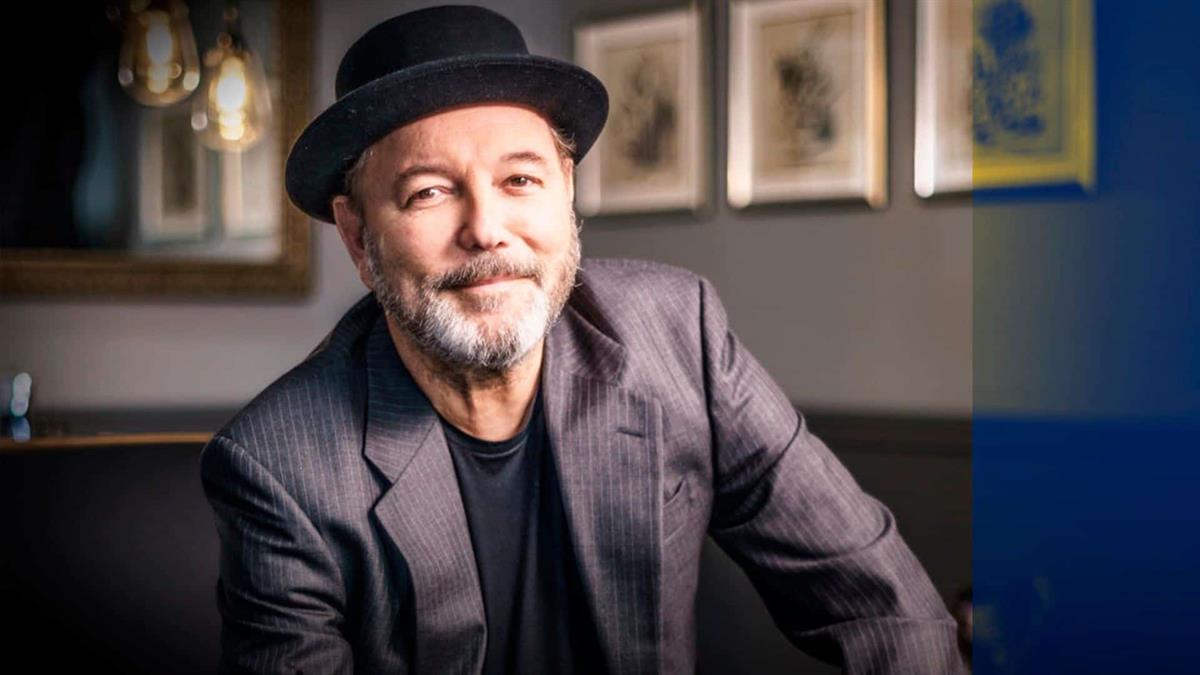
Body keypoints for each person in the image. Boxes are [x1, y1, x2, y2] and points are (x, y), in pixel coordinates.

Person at [200, 6, 965, 674]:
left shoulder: (678, 333)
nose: (486, 230)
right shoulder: (280, 466)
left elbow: (883, 603)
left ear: (566, 192)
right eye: (429, 191)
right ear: (358, 237)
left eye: (520, 180)